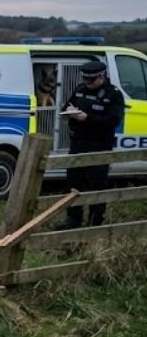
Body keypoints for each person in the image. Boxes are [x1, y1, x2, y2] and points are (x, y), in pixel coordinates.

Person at [56, 59, 125, 229]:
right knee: (73, 182)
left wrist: (87, 118)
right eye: (85, 79)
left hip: (99, 145)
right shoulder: (80, 90)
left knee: (97, 183)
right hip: (78, 143)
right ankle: (73, 218)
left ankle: (95, 220)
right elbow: (67, 106)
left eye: (91, 80)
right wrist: (69, 113)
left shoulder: (113, 94)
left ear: (102, 77)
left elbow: (113, 120)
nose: (87, 83)